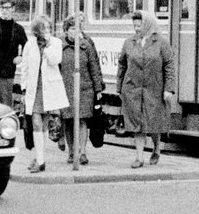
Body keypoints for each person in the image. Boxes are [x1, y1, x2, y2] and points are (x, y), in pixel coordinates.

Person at [117, 10, 176, 168]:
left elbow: (169, 65)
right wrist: (120, 88)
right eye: (134, 25)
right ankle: (139, 157)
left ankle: (156, 147)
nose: (136, 29)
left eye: (139, 25)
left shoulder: (161, 42)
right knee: (138, 123)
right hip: (133, 89)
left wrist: (168, 89)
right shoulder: (129, 42)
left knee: (154, 123)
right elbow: (122, 64)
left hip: (154, 89)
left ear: (148, 24)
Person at [19, 15, 67, 173]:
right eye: (43, 29)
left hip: (49, 89)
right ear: (37, 31)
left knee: (44, 125)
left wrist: (46, 48)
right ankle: (40, 161)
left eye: (48, 28)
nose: (46, 32)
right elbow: (24, 67)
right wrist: (23, 86)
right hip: (34, 88)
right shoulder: (29, 44)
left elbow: (55, 60)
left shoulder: (56, 43)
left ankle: (41, 158)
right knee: (36, 123)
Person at [59, 13, 104, 165]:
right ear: (66, 31)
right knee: (68, 120)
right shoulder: (59, 46)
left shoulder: (86, 45)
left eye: (77, 29)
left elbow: (94, 68)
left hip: (85, 89)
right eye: (72, 28)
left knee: (82, 120)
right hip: (65, 88)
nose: (75, 31)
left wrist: (98, 89)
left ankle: (82, 152)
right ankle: (72, 152)